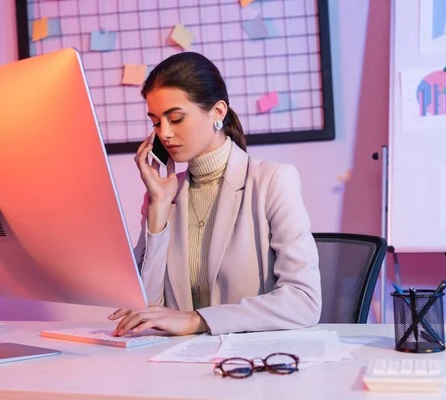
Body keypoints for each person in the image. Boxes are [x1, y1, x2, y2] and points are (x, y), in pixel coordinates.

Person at [108, 52, 322, 336]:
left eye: (176, 118)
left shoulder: (272, 181)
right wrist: (158, 207)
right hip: (176, 365)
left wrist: (197, 320)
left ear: (218, 112)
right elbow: (146, 309)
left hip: (250, 364)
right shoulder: (166, 194)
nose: (165, 134)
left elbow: (304, 301)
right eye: (157, 122)